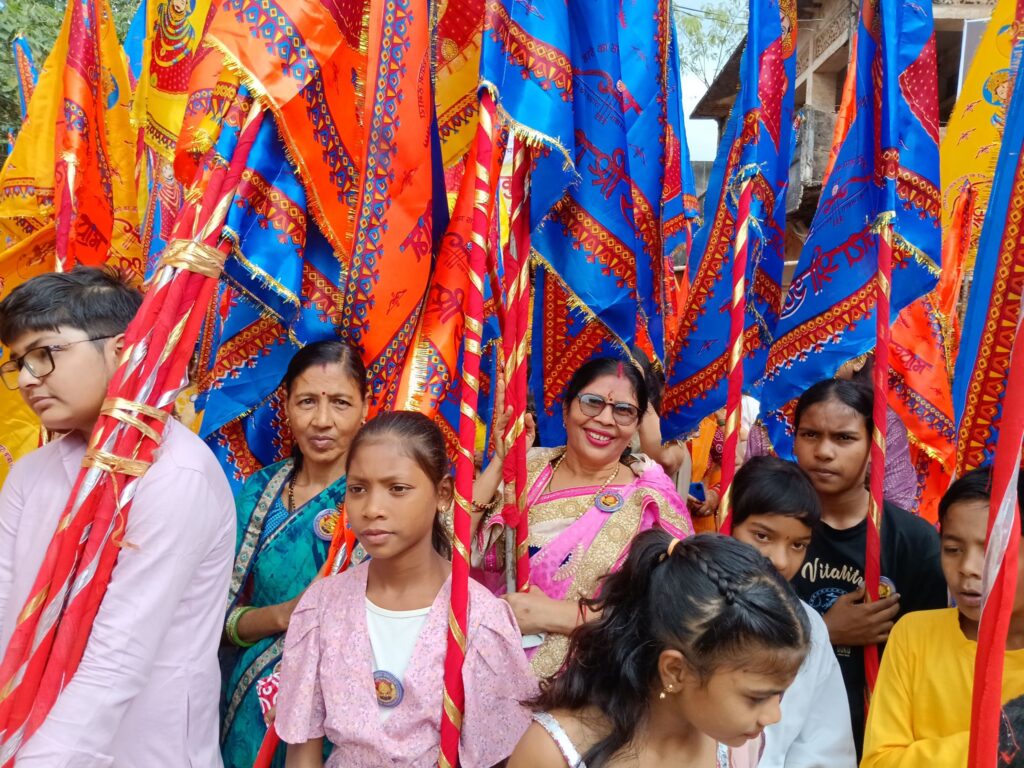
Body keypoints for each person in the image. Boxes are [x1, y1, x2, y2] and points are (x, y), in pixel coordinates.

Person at [0, 267, 235, 765]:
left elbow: (119, 655)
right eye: (17, 362)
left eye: (45, 354)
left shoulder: (177, 474)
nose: (24, 379)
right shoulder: (32, 474)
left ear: (122, 350)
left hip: (145, 749)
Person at [275, 411, 536, 767]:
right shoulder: (322, 607)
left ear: (443, 494)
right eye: (358, 489)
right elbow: (302, 756)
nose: (372, 509)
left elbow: (501, 758)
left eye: (397, 489)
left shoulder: (479, 618)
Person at [506, 530, 811, 768]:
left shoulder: (736, 748)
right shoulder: (553, 754)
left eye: (778, 694)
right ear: (675, 671)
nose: (774, 716)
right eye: (756, 698)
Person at [473, 357, 693, 677]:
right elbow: (454, 549)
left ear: (635, 425)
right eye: (592, 403)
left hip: (591, 689)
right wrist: (500, 461)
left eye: (623, 410)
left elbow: (671, 611)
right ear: (565, 411)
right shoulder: (529, 468)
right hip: (491, 668)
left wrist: (558, 616)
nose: (605, 419)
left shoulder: (650, 501)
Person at [221, 341, 369, 768]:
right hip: (252, 701)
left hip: (346, 706)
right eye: (307, 402)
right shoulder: (258, 493)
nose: (322, 421)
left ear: (364, 407)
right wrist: (287, 615)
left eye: (340, 402)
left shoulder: (379, 498)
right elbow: (218, 619)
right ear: (285, 407)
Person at [788, 378, 946, 756]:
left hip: (880, 731)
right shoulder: (770, 531)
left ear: (875, 447)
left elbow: (929, 659)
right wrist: (827, 632)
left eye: (844, 438)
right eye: (810, 434)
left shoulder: (914, 541)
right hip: (785, 725)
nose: (824, 451)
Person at [862, 467, 1024, 767]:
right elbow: (879, 761)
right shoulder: (914, 636)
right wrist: (1003, 745)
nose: (968, 568)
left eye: (992, 549)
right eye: (952, 549)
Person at [730, 456, 857, 767]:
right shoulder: (687, 604)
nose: (781, 561)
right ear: (729, 521)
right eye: (762, 536)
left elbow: (823, 747)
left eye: (798, 545)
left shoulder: (809, 627)